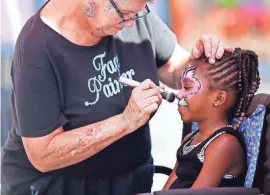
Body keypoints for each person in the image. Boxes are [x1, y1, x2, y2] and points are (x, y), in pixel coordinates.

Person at [1, 0, 232, 195]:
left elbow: (174, 67)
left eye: (138, 14)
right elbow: (43, 154)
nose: (131, 23)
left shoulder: (133, 12)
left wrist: (201, 65)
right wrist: (124, 122)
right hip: (57, 186)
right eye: (125, 15)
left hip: (128, 180)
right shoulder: (37, 47)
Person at [163, 48, 260, 189]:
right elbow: (166, 190)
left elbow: (196, 194)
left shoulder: (224, 144)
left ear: (219, 98)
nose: (179, 95)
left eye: (187, 87)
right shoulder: (190, 139)